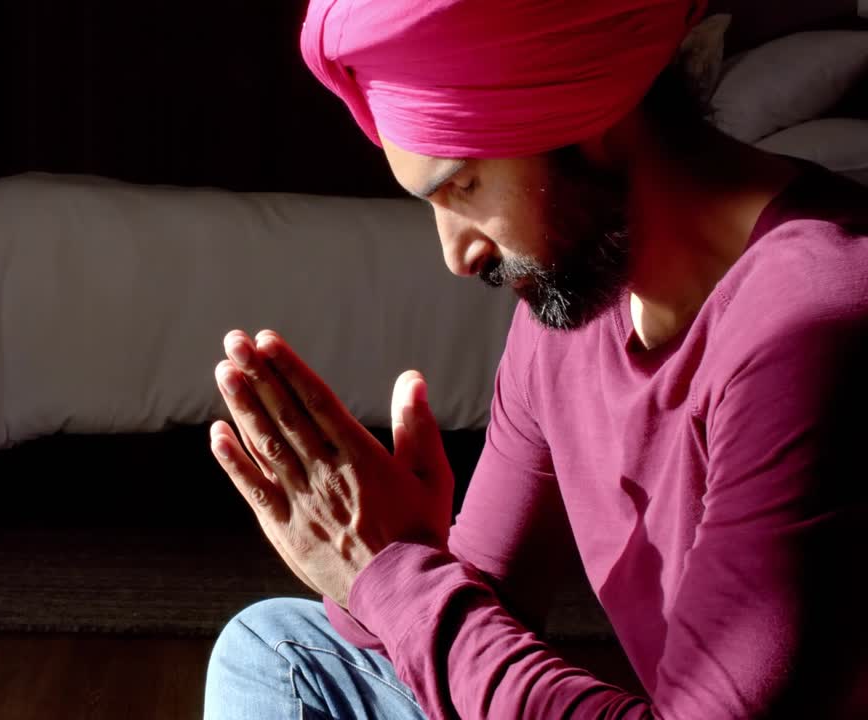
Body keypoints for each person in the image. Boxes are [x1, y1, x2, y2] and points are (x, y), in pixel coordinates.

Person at [202, 1, 868, 717]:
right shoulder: (574, 310)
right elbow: (466, 619)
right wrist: (390, 552)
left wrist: (395, 568)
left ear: (591, 119)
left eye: (464, 186)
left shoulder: (815, 317)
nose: (455, 255)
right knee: (278, 652)